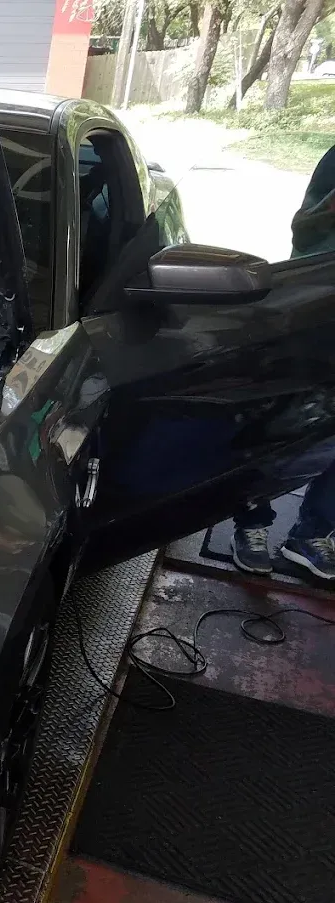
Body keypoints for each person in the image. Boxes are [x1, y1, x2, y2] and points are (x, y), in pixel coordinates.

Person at [233, 143, 335, 580]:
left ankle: (312, 535)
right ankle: (251, 521)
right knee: (282, 421)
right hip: (319, 303)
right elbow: (307, 228)